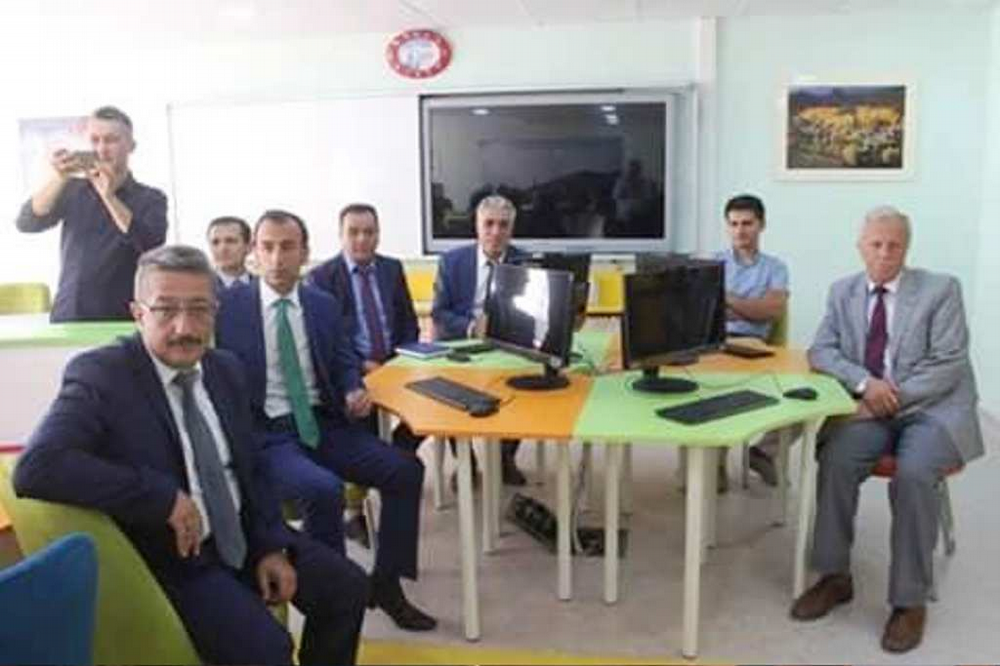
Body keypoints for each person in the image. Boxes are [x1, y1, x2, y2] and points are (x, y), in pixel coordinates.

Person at [12, 245, 368, 665]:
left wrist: (270, 545)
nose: (185, 327)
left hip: (243, 530)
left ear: (215, 312)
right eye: (166, 310)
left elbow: (253, 469)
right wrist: (160, 496)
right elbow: (37, 467)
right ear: (138, 313)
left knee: (347, 587)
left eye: (199, 310)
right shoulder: (103, 375)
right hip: (182, 556)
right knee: (269, 650)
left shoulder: (226, 369)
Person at [215, 210, 436, 631]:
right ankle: (333, 596)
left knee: (406, 469)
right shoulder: (228, 309)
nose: (277, 258)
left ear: (305, 253)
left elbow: (342, 359)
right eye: (267, 247)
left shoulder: (322, 305)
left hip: (324, 424)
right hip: (269, 433)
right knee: (322, 489)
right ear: (253, 252)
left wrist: (352, 388)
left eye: (287, 247)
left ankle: (386, 583)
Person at [791, 206, 983, 653]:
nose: (884, 253)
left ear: (906, 249)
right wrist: (864, 384)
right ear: (860, 247)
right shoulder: (842, 291)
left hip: (933, 409)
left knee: (914, 474)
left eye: (893, 245)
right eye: (875, 244)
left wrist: (884, 398)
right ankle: (834, 576)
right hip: (872, 406)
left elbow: (949, 364)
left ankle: (910, 602)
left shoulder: (941, 289)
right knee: (836, 458)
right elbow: (822, 350)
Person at [306, 202, 424, 548]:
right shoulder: (322, 278)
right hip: (353, 372)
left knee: (427, 414)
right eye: (353, 232)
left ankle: (394, 464)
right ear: (341, 236)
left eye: (368, 232)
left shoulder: (391, 268)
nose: (361, 239)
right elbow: (330, 341)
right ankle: (354, 511)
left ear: (378, 235)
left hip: (396, 365)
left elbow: (408, 321)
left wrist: (400, 359)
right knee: (360, 425)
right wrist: (362, 366)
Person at [15, 106, 168, 322]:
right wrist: (59, 177)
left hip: (122, 315)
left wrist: (109, 197)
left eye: (111, 140)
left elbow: (150, 244)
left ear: (131, 146)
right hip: (70, 312)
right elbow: (27, 223)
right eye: (95, 140)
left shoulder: (151, 198)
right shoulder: (72, 188)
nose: (102, 149)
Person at [431, 194, 530, 486]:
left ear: (511, 229)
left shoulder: (525, 262)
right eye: (489, 224)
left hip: (508, 344)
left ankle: (504, 455)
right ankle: (466, 461)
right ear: (477, 226)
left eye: (503, 225)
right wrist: (473, 327)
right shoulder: (452, 261)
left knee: (526, 388)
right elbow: (439, 311)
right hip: (463, 343)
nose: (495, 232)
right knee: (449, 392)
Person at [714, 194, 790, 488]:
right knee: (702, 388)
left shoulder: (775, 268)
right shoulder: (714, 263)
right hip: (715, 342)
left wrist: (729, 299)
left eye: (747, 223)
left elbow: (771, 310)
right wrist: (752, 307)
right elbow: (706, 312)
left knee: (802, 397)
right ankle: (713, 463)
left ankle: (763, 452)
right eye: (733, 224)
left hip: (754, 345)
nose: (740, 231)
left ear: (761, 225)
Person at [207, 216, 252, 289]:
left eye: (230, 241)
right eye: (215, 242)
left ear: (248, 247)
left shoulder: (264, 286)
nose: (222, 248)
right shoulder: (201, 288)